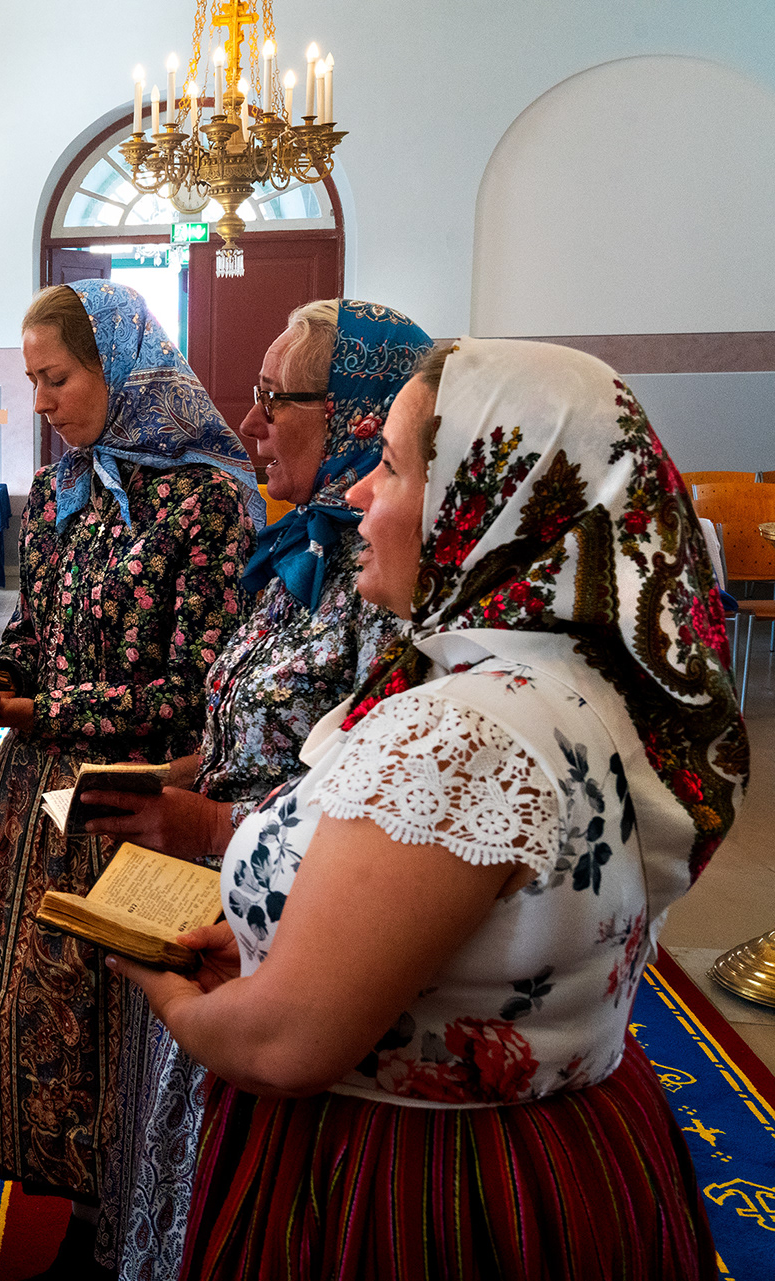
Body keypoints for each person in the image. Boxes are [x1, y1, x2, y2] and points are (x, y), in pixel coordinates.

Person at [113, 338, 743, 1280]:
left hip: (419, 1186)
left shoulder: (463, 732)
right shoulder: (572, 675)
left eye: (397, 468)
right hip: (567, 1145)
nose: (360, 493)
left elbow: (285, 1046)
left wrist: (153, 974)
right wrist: (267, 944)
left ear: (490, 507)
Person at [84, 299, 429, 1280]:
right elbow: (261, 723)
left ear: (362, 412)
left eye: (277, 400)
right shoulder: (300, 554)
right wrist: (174, 775)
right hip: (216, 907)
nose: (250, 424)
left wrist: (199, 816)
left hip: (299, 946)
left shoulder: (394, 587)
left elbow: (368, 814)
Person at [0, 279, 260, 1280]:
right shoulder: (68, 491)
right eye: (32, 379)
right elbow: (35, 633)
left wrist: (55, 713)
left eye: (57, 377)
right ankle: (77, 1210)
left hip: (134, 790)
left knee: (116, 1022)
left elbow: (199, 685)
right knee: (36, 1009)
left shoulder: (209, 500)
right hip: (36, 787)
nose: (40, 400)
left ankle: (122, 1219)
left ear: (118, 368)